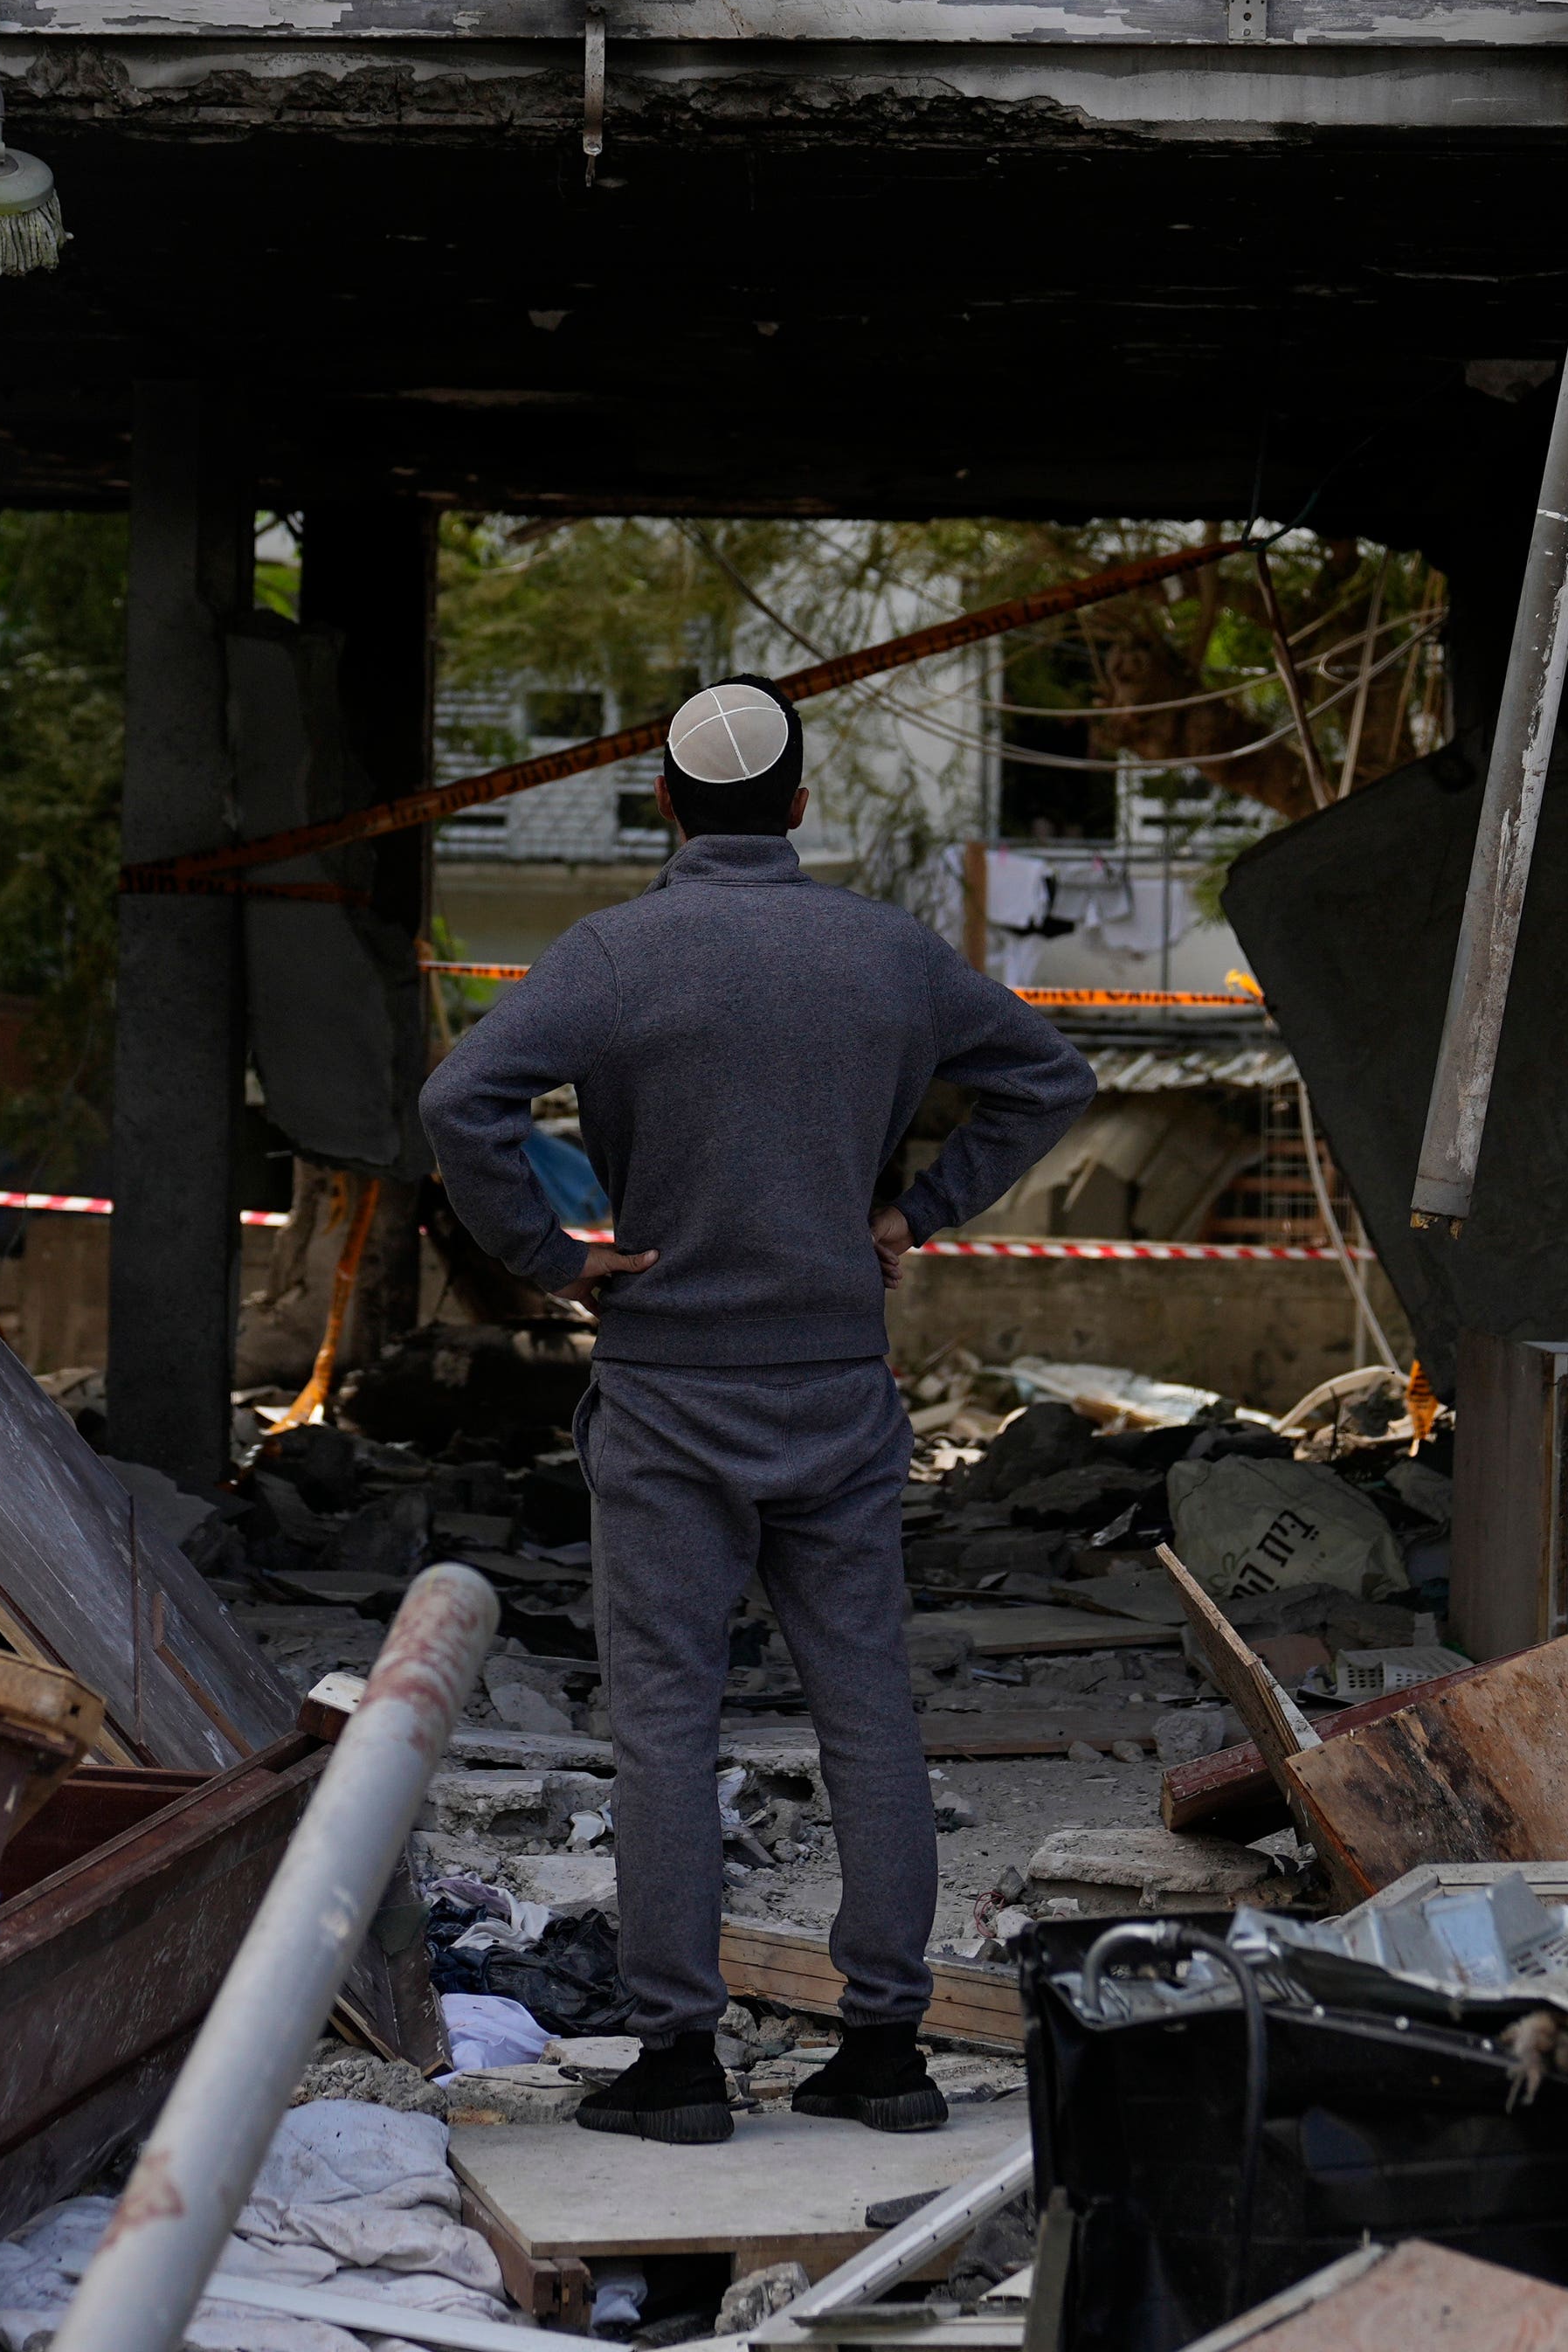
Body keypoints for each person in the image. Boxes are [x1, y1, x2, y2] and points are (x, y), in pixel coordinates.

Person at [419, 674, 1095, 2145]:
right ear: (798, 807)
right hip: (836, 1390)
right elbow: (1048, 1074)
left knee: (668, 1723)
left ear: (664, 803)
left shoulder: (613, 955)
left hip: (667, 1392)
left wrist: (548, 1257)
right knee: (867, 1712)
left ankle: (677, 2069)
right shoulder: (889, 955)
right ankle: (889, 2051)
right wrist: (920, 1211)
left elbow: (459, 1104)